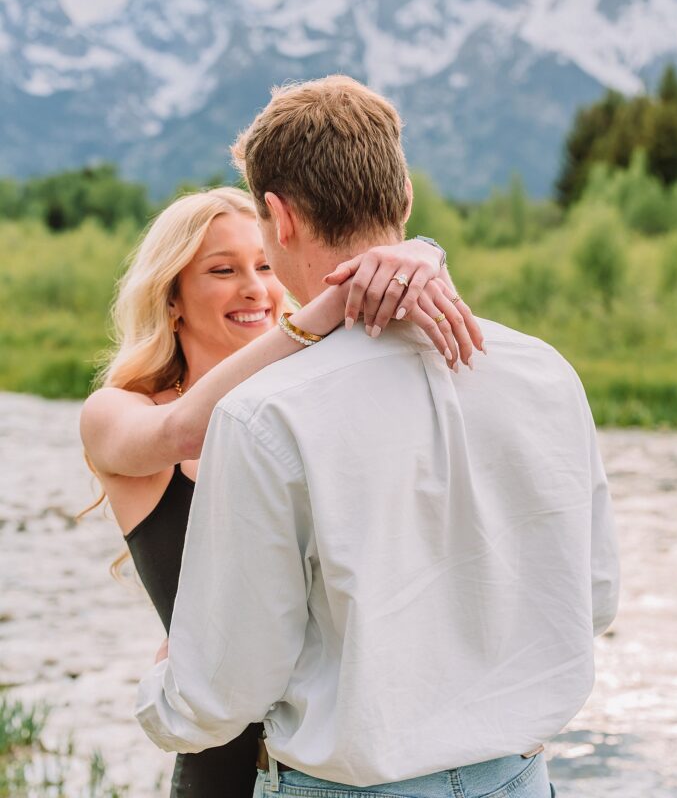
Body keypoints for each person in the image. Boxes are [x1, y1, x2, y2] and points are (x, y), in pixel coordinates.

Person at [136, 77, 620, 798]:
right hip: (522, 779)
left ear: (279, 217)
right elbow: (595, 600)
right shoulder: (544, 372)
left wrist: (158, 691)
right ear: (403, 200)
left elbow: (224, 693)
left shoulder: (264, 415)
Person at [80, 184, 482, 798]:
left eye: (266, 266)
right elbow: (184, 430)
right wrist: (325, 306)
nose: (256, 288)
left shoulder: (311, 400)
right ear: (172, 298)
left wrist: (422, 252)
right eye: (223, 270)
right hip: (225, 771)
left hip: (352, 769)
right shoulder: (117, 412)